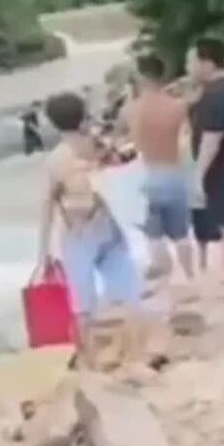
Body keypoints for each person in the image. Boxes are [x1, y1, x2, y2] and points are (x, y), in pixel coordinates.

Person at [37, 91, 141, 347]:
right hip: (107, 223)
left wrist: (43, 253)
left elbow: (47, 206)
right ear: (83, 115)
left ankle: (88, 357)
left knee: (82, 304)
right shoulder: (96, 145)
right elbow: (120, 162)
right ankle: (136, 346)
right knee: (127, 292)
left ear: (53, 123)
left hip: (78, 232)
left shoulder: (55, 160)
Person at [120, 53, 193, 281]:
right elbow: (186, 139)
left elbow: (125, 142)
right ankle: (190, 277)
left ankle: (166, 280)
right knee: (181, 234)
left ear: (140, 76)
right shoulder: (177, 106)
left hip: (145, 174)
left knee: (154, 235)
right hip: (174, 172)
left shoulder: (131, 110)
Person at [187, 37, 224, 277]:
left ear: (207, 63)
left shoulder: (215, 95)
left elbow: (211, 140)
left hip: (222, 173)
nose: (188, 68)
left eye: (191, 61)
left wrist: (197, 177)